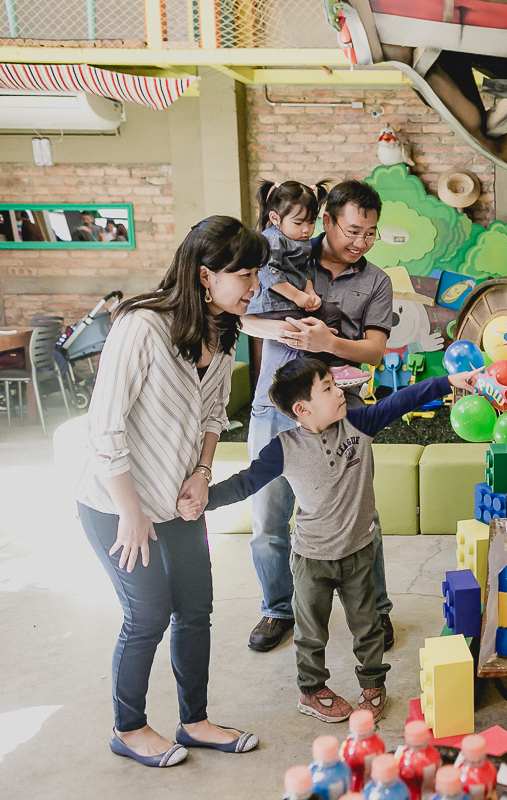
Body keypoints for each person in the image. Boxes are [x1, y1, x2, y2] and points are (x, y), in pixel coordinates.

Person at [183, 359, 479, 722]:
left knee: (368, 626)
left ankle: (373, 684)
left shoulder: (358, 423)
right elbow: (245, 483)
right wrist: (204, 501)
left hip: (359, 552)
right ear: (302, 409)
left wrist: (448, 381)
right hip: (311, 559)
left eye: (335, 384)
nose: (340, 391)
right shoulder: (283, 447)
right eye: (328, 388)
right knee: (310, 632)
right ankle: (311, 689)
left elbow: (401, 400)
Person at [77, 215, 267, 768]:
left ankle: (195, 721)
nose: (254, 286)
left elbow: (212, 414)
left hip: (179, 500)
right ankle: (128, 727)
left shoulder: (224, 329)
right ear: (206, 275)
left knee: (195, 609)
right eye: (246, 275)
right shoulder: (142, 325)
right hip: (116, 502)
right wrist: (130, 513)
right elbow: (104, 427)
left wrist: (203, 474)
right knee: (148, 614)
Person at [240, 180, 395, 654]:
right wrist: (288, 330)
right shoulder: (284, 252)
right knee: (269, 517)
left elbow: (373, 351)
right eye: (352, 230)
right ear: (325, 221)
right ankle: (276, 610)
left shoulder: (376, 282)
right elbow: (241, 317)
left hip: (338, 412)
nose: (361, 242)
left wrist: (327, 342)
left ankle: (376, 611)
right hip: (275, 410)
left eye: (370, 234)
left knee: (359, 519)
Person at [249, 180, 343, 342]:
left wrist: (310, 294)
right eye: (298, 222)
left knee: (331, 313)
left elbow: (305, 269)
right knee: (305, 330)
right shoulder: (273, 240)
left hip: (292, 302)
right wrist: (297, 296)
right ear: (275, 218)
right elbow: (269, 274)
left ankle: (333, 363)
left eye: (312, 221)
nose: (306, 229)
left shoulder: (300, 239)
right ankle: (313, 362)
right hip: (273, 304)